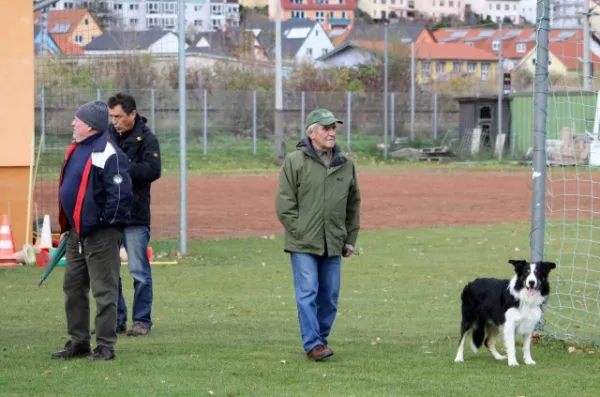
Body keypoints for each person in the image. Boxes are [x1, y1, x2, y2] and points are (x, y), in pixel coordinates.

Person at [275, 108, 361, 361]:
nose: (331, 132)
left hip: (334, 241)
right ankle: (313, 344)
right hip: (303, 243)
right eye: (326, 128)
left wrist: (350, 238)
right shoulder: (295, 161)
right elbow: (284, 203)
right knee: (308, 292)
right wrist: (299, 231)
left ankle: (320, 340)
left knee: (330, 297)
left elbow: (353, 204)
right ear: (312, 132)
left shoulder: (346, 165)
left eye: (333, 127)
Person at [53, 101, 133, 361]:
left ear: (90, 125)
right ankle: (79, 342)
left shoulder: (109, 153)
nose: (73, 123)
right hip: (77, 233)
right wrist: (69, 226)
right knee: (73, 288)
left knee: (104, 291)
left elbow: (120, 197)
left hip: (100, 235)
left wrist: (101, 224)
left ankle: (105, 346)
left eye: (77, 120)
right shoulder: (77, 149)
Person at [107, 92, 161, 336]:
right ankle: (116, 318)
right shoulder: (107, 136)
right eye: (111, 116)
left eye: (119, 116)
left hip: (136, 216)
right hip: (109, 214)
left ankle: (141, 321)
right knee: (109, 270)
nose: (115, 121)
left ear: (132, 114)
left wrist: (122, 166)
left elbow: (152, 170)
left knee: (138, 270)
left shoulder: (147, 139)